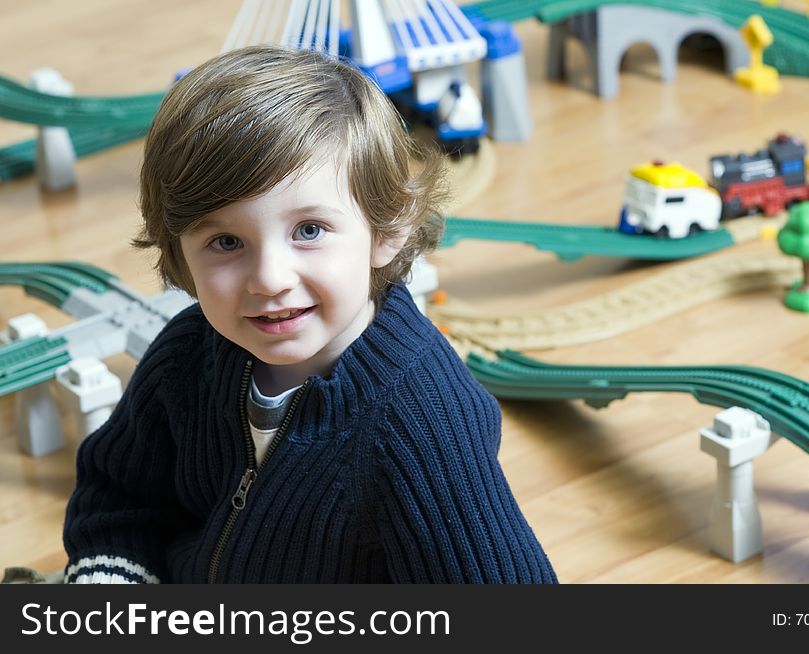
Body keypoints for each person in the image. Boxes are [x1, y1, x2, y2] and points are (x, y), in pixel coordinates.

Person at [63, 45, 557, 584]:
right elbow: (118, 493)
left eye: (309, 231)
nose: (270, 278)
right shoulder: (187, 351)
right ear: (179, 252)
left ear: (387, 230)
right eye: (226, 241)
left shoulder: (421, 425)